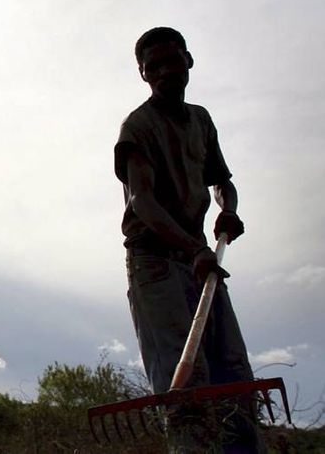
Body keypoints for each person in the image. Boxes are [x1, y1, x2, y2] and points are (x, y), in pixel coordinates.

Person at [114, 27, 265, 453]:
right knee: (187, 386)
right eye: (152, 67)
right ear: (143, 75)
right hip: (156, 263)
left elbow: (221, 181)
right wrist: (192, 248)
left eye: (171, 61)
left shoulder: (200, 120)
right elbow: (142, 201)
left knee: (233, 372)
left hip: (200, 258)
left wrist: (228, 209)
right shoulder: (138, 126)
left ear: (188, 61)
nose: (163, 72)